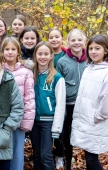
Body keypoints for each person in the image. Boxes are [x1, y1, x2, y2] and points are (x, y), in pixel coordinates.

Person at [70, 34, 108, 170]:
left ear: (106, 50)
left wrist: (96, 116)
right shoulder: (89, 68)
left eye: (97, 48)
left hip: (95, 122)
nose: (93, 52)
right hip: (85, 121)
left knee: (91, 159)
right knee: (89, 157)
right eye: (91, 48)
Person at [53, 29, 87, 170]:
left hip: (83, 104)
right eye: (73, 40)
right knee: (64, 134)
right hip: (66, 104)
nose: (76, 43)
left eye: (79, 40)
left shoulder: (89, 60)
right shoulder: (62, 61)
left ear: (84, 42)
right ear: (68, 42)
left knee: (80, 133)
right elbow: (57, 83)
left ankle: (82, 159)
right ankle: (61, 157)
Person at [0, 36, 35, 170]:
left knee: (17, 152)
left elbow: (29, 98)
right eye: (7, 49)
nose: (10, 52)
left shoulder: (26, 72)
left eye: (13, 49)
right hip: (1, 119)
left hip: (19, 119)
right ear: (2, 52)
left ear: (18, 52)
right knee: (2, 152)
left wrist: (26, 121)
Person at [31, 41, 66, 170]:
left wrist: (56, 128)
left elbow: (61, 105)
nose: (43, 57)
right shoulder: (32, 75)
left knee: (46, 155)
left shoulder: (57, 78)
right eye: (40, 53)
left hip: (48, 122)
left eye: (46, 54)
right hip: (34, 121)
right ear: (35, 55)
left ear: (51, 55)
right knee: (37, 155)